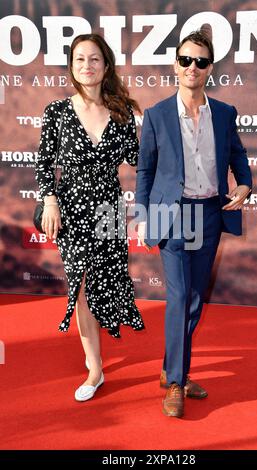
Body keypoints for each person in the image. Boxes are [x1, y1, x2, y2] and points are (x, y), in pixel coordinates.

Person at [135, 30, 252, 418]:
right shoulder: (155, 115)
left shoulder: (224, 112)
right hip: (172, 213)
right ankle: (175, 381)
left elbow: (236, 153)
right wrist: (142, 214)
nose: (192, 67)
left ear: (209, 69)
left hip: (209, 214)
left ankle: (176, 371)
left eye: (200, 62)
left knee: (197, 299)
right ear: (175, 65)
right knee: (181, 296)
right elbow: (146, 170)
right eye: (186, 60)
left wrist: (246, 181)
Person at [35, 33, 144, 402]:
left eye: (94, 59)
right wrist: (50, 201)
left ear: (106, 65)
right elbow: (44, 163)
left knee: (103, 282)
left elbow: (139, 160)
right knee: (80, 286)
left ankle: (99, 349)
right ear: (71, 66)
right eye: (80, 59)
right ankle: (94, 367)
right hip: (72, 207)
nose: (87, 65)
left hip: (109, 208)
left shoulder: (122, 112)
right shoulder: (57, 111)